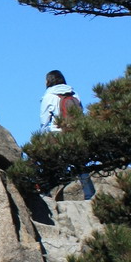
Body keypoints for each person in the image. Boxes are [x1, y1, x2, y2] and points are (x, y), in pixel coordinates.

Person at [40, 70, 94, 199]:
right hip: (75, 134)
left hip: (57, 135)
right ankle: (89, 193)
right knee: (80, 164)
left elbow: (44, 121)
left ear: (48, 81)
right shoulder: (74, 94)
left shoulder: (49, 96)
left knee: (50, 163)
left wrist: (42, 140)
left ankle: (45, 193)